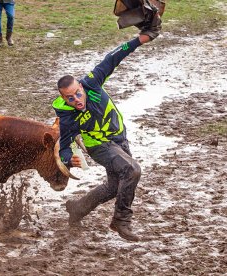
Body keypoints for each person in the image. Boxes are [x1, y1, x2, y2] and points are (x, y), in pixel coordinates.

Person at [52, 14, 162, 242]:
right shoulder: (67, 113)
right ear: (64, 98)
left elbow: (114, 57)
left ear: (81, 86)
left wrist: (141, 39)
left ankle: (78, 208)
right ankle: (121, 220)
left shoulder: (92, 82)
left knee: (115, 186)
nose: (77, 101)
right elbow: (65, 144)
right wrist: (66, 158)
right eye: (70, 98)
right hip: (98, 146)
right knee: (132, 171)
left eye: (78, 94)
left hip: (119, 137)